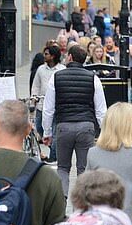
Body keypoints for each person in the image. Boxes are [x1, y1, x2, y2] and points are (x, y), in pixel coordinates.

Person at [42, 46, 108, 195]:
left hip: (63, 125)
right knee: (84, 168)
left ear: (70, 57)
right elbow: (101, 110)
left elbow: (48, 109)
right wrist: (104, 131)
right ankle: (84, 204)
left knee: (63, 168)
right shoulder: (93, 78)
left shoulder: (56, 77)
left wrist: (47, 132)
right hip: (86, 126)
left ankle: (62, 200)